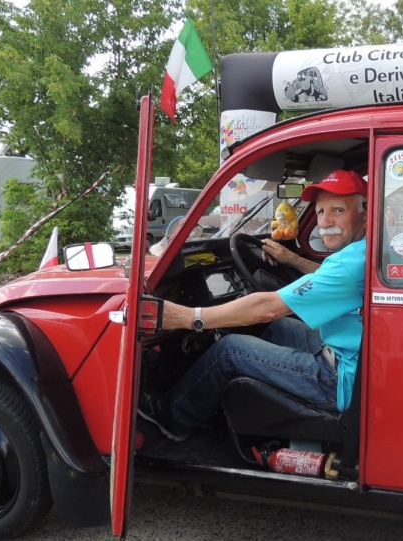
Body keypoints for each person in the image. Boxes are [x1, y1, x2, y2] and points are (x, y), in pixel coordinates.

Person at [138, 169, 368, 442]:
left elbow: (268, 306)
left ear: (365, 212)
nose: (325, 221)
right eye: (319, 212)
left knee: (229, 349)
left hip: (339, 381)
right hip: (349, 356)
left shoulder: (349, 263)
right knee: (279, 327)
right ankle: (216, 399)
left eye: (338, 210)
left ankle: (174, 419)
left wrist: (188, 317)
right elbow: (327, 278)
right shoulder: (361, 252)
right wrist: (291, 260)